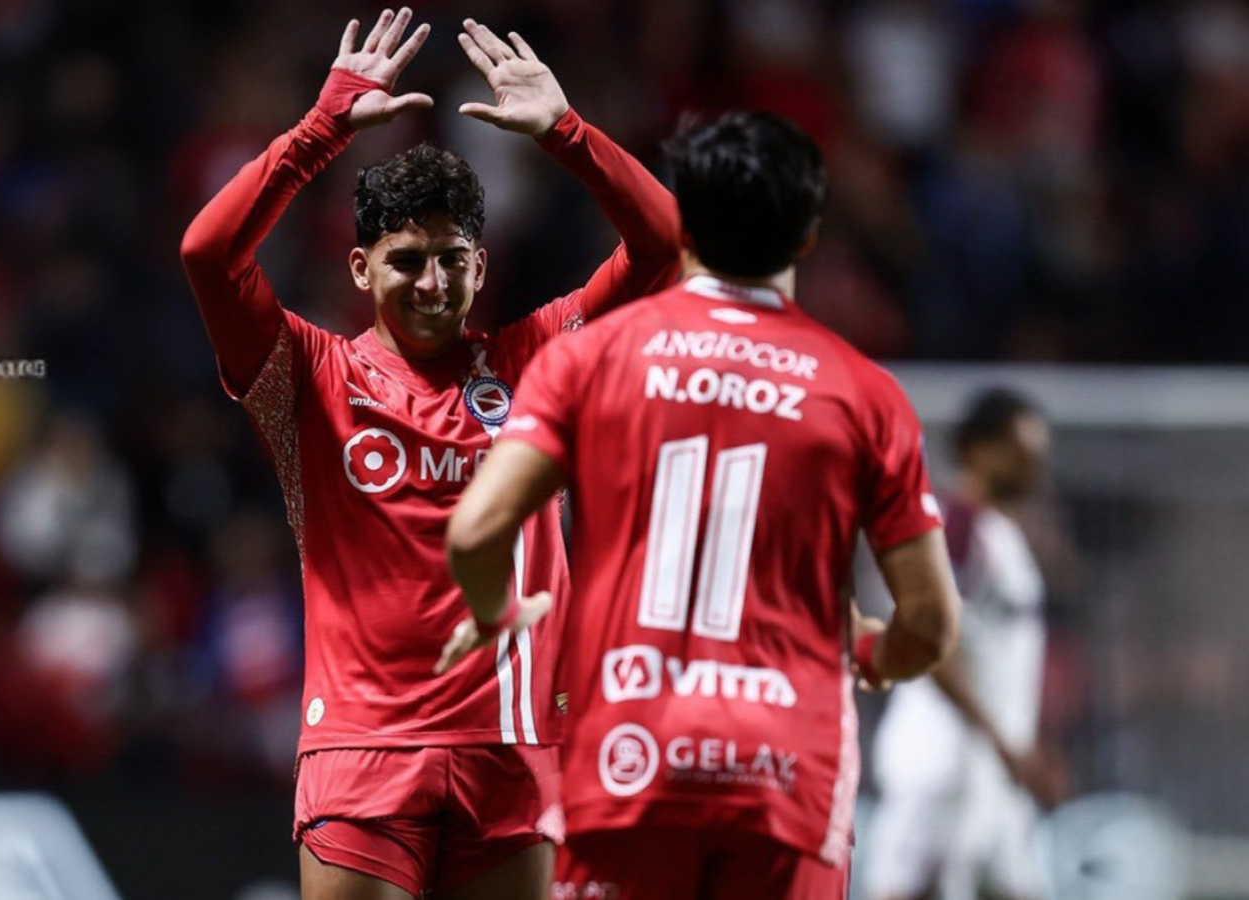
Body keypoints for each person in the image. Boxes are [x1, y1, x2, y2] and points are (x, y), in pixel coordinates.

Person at [180, 9, 681, 900]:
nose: (433, 283)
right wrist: (319, 132)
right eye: (407, 260)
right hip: (363, 752)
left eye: (453, 259)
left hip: (513, 748)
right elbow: (208, 253)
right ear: (361, 268)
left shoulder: (540, 360)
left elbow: (664, 246)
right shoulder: (309, 376)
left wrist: (567, 134)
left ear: (481, 267)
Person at [439, 111, 960, 900]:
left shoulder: (589, 359)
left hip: (627, 763)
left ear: (684, 229)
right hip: (787, 777)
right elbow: (931, 624)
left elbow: (477, 531)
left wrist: (492, 612)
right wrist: (875, 655)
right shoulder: (864, 393)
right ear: (809, 236)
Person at [862, 388, 1055, 900]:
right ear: (976, 449)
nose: (1035, 464)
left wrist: (1017, 742)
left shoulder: (1001, 533)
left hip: (991, 762)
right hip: (941, 756)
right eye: (1020, 449)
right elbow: (928, 638)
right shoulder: (955, 527)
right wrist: (999, 737)